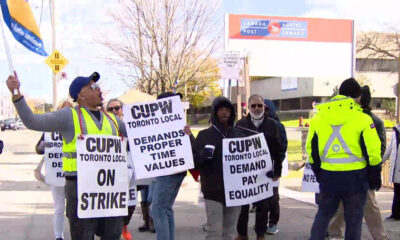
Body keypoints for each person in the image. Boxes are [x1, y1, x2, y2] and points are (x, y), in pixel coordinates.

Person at [6, 72, 127, 240]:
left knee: (112, 235)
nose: (99, 90)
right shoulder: (69, 116)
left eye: (98, 86)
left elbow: (138, 137)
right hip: (79, 188)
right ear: (81, 95)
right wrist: (16, 95)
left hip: (109, 189)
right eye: (92, 87)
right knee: (83, 235)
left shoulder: (114, 120)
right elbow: (32, 121)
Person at [306, 78, 382, 240]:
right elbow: (373, 151)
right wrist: (375, 175)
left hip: (329, 175)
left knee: (323, 216)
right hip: (356, 177)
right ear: (358, 97)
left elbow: (311, 150)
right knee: (353, 221)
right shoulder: (363, 119)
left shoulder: (319, 118)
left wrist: (319, 172)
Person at [328, 85, 388, 240]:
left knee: (367, 207)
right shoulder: (350, 118)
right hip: (352, 170)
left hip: (361, 172)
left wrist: (373, 171)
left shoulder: (371, 120)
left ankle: (378, 237)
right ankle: (335, 232)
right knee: (350, 206)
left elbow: (378, 150)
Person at [193, 96, 244, 240]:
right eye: (221, 109)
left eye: (227, 110)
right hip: (213, 191)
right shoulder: (204, 136)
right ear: (215, 112)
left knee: (229, 232)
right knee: (213, 232)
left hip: (235, 192)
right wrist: (202, 155)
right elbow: (194, 162)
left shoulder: (239, 136)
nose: (225, 113)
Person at [234, 95, 284, 240]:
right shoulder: (240, 125)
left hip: (264, 172)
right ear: (248, 108)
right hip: (245, 172)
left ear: (264, 107)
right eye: (253, 106)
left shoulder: (272, 125)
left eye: (259, 106)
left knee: (264, 205)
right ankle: (242, 234)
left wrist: (278, 170)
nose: (256, 108)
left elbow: (278, 150)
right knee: (242, 205)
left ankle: (260, 234)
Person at [149, 92, 194, 240]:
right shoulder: (166, 122)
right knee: (164, 208)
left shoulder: (174, 122)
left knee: (158, 209)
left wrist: (189, 135)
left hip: (171, 170)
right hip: (171, 169)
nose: (177, 104)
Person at [33, 99, 73, 240]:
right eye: (64, 109)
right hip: (56, 173)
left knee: (74, 208)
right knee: (59, 207)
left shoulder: (78, 126)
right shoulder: (50, 130)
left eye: (70, 109)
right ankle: (58, 235)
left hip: (74, 174)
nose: (67, 113)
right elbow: (38, 149)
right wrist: (42, 147)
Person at [106, 98, 133, 240]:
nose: (114, 111)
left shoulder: (131, 123)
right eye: (110, 109)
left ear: (122, 109)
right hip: (112, 168)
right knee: (114, 199)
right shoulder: (105, 124)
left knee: (131, 202)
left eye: (117, 108)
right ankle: (115, 227)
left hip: (130, 166)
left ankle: (124, 224)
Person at [263, 99, 288, 235]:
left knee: (273, 197)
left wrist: (277, 164)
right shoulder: (255, 125)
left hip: (273, 166)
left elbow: (282, 147)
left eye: (265, 109)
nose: (262, 111)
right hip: (257, 168)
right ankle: (261, 222)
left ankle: (273, 223)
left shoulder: (278, 126)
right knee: (261, 198)